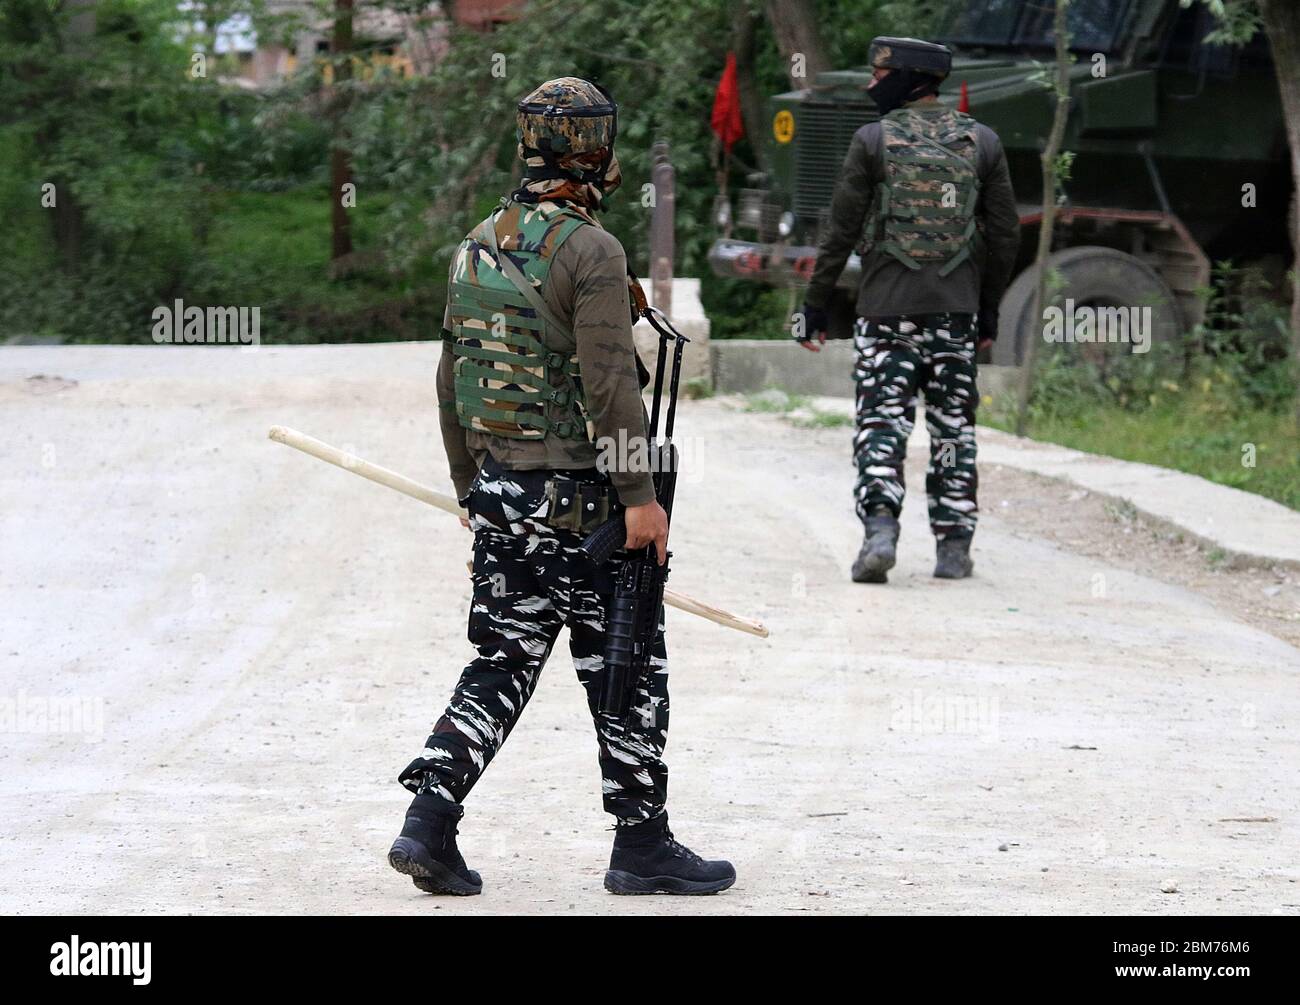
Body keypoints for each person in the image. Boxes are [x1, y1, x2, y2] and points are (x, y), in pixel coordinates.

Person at [388, 77, 735, 897]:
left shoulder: (474, 244)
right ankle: (642, 841)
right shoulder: (593, 251)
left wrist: (470, 485)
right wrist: (641, 498)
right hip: (585, 504)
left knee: (502, 660)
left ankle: (429, 822)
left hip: (504, 493)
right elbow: (612, 384)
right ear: (594, 151)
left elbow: (450, 376)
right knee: (627, 664)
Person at [794, 37, 1020, 582]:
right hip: (956, 315)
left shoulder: (872, 141)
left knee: (881, 423)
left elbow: (840, 232)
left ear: (911, 79)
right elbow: (1006, 235)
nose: (873, 84)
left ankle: (880, 530)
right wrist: (987, 311)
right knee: (953, 430)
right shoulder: (982, 141)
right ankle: (954, 547)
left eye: (880, 75)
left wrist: (815, 305)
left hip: (885, 315)